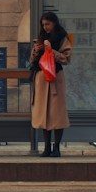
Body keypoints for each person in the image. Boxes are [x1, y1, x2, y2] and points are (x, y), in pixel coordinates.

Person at [30, 10, 72, 156]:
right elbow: (32, 61)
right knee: (44, 114)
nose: (45, 27)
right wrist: (36, 51)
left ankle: (57, 148)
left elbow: (67, 58)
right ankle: (47, 147)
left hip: (55, 79)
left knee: (57, 114)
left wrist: (51, 50)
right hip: (41, 80)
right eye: (43, 24)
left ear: (54, 22)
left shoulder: (62, 38)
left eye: (48, 24)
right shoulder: (40, 38)